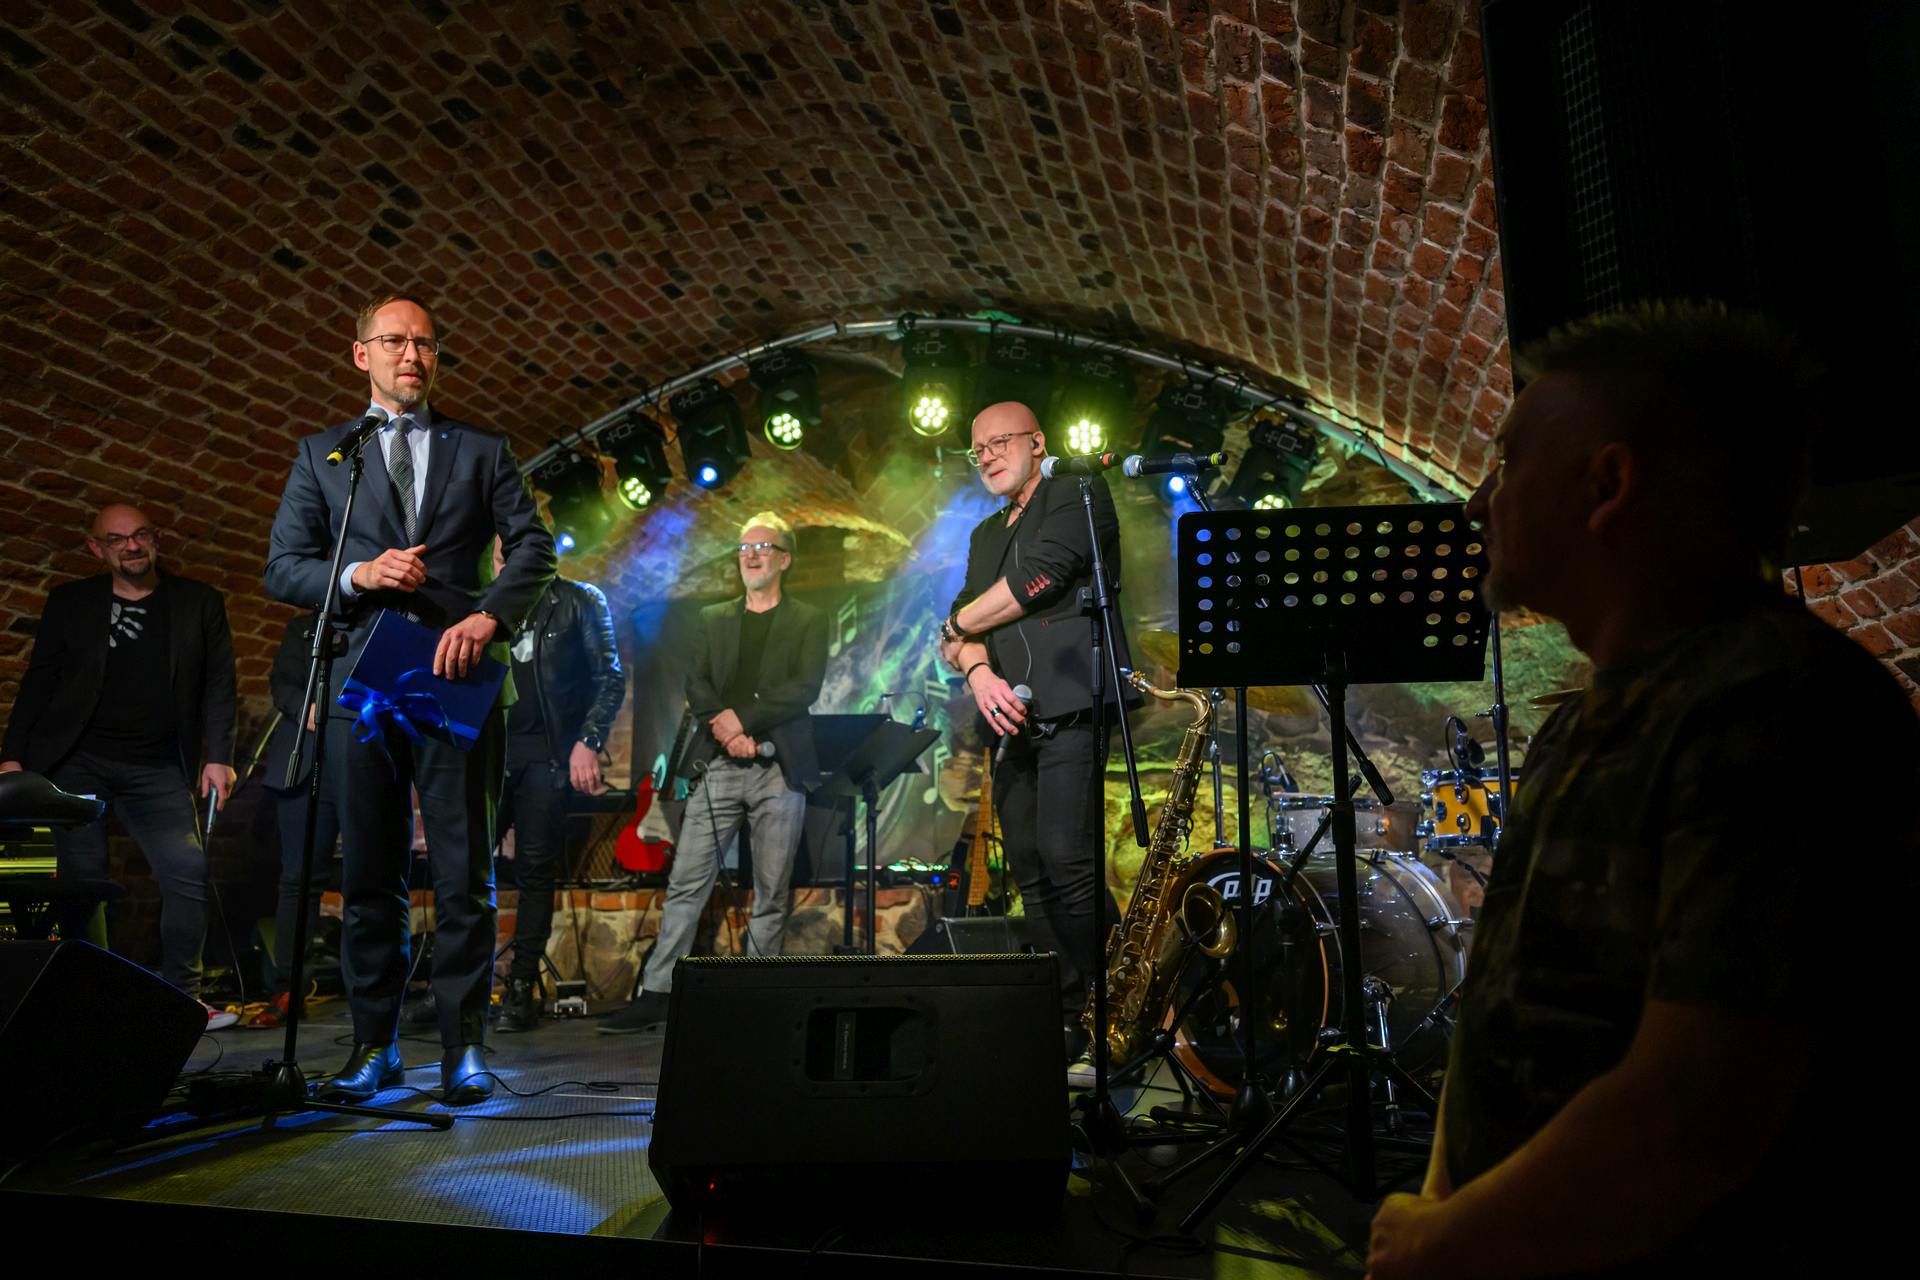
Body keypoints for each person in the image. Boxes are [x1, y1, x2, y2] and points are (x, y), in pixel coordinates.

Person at [1365, 302, 1919, 1278]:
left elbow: (1695, 1110)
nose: (1477, 503)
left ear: (1609, 484)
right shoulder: (1580, 726)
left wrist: (1446, 1240)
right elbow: (1499, 1001)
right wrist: (1448, 1201)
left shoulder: (1771, 708)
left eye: (1508, 461)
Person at [265, 292, 555, 1105]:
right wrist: (360, 573)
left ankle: (464, 1049)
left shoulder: (483, 449)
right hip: (360, 681)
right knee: (369, 872)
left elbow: (535, 547)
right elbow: (283, 566)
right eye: (394, 341)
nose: (412, 355)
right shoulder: (326, 454)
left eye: (425, 343)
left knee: (463, 873)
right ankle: (374, 1047)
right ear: (361, 354)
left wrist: (490, 616)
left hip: (454, 674)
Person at [938, 401, 1132, 1063]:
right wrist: (978, 675)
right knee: (1029, 866)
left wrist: (959, 628)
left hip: (1073, 706)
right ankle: (1075, 1012)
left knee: (1067, 860)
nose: (988, 456)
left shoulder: (1077, 490)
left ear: (1038, 442)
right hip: (1011, 721)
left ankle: (1120, 1004)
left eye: (1000, 442)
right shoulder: (984, 535)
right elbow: (960, 627)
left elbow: (1036, 578)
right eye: (978, 449)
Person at [0, 503, 237, 1027]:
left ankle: (185, 999)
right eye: (116, 539)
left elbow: (220, 683)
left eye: (140, 535)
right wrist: (12, 755)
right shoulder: (70, 601)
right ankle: (93, 1000)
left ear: (156, 538)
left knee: (188, 870)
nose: (130, 546)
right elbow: (39, 680)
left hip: (158, 766)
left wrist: (219, 756)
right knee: (84, 882)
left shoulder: (198, 601)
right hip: (77, 760)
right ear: (96, 547)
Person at [600, 512, 826, 1033]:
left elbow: (804, 687)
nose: (751, 555)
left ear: (785, 560)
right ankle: (658, 993)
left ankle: (756, 994)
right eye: (744, 547)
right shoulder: (714, 617)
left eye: (763, 546)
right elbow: (697, 683)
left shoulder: (809, 619)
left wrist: (741, 721)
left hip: (779, 769)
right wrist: (728, 732)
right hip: (719, 766)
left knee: (771, 891)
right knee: (686, 883)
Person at [494, 538, 625, 1033]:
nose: (506, 561)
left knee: (535, 870)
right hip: (490, 755)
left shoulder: (577, 601)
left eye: (517, 550)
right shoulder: (482, 601)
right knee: (462, 868)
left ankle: (521, 987)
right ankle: (451, 987)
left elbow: (609, 677)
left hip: (546, 757)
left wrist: (587, 742)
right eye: (500, 553)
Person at [244, 611, 345, 1030]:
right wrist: (310, 709)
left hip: (361, 757)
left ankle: (372, 993)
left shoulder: (383, 619)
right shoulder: (304, 624)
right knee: (297, 881)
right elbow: (283, 683)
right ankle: (288, 990)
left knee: (370, 880)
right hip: (304, 758)